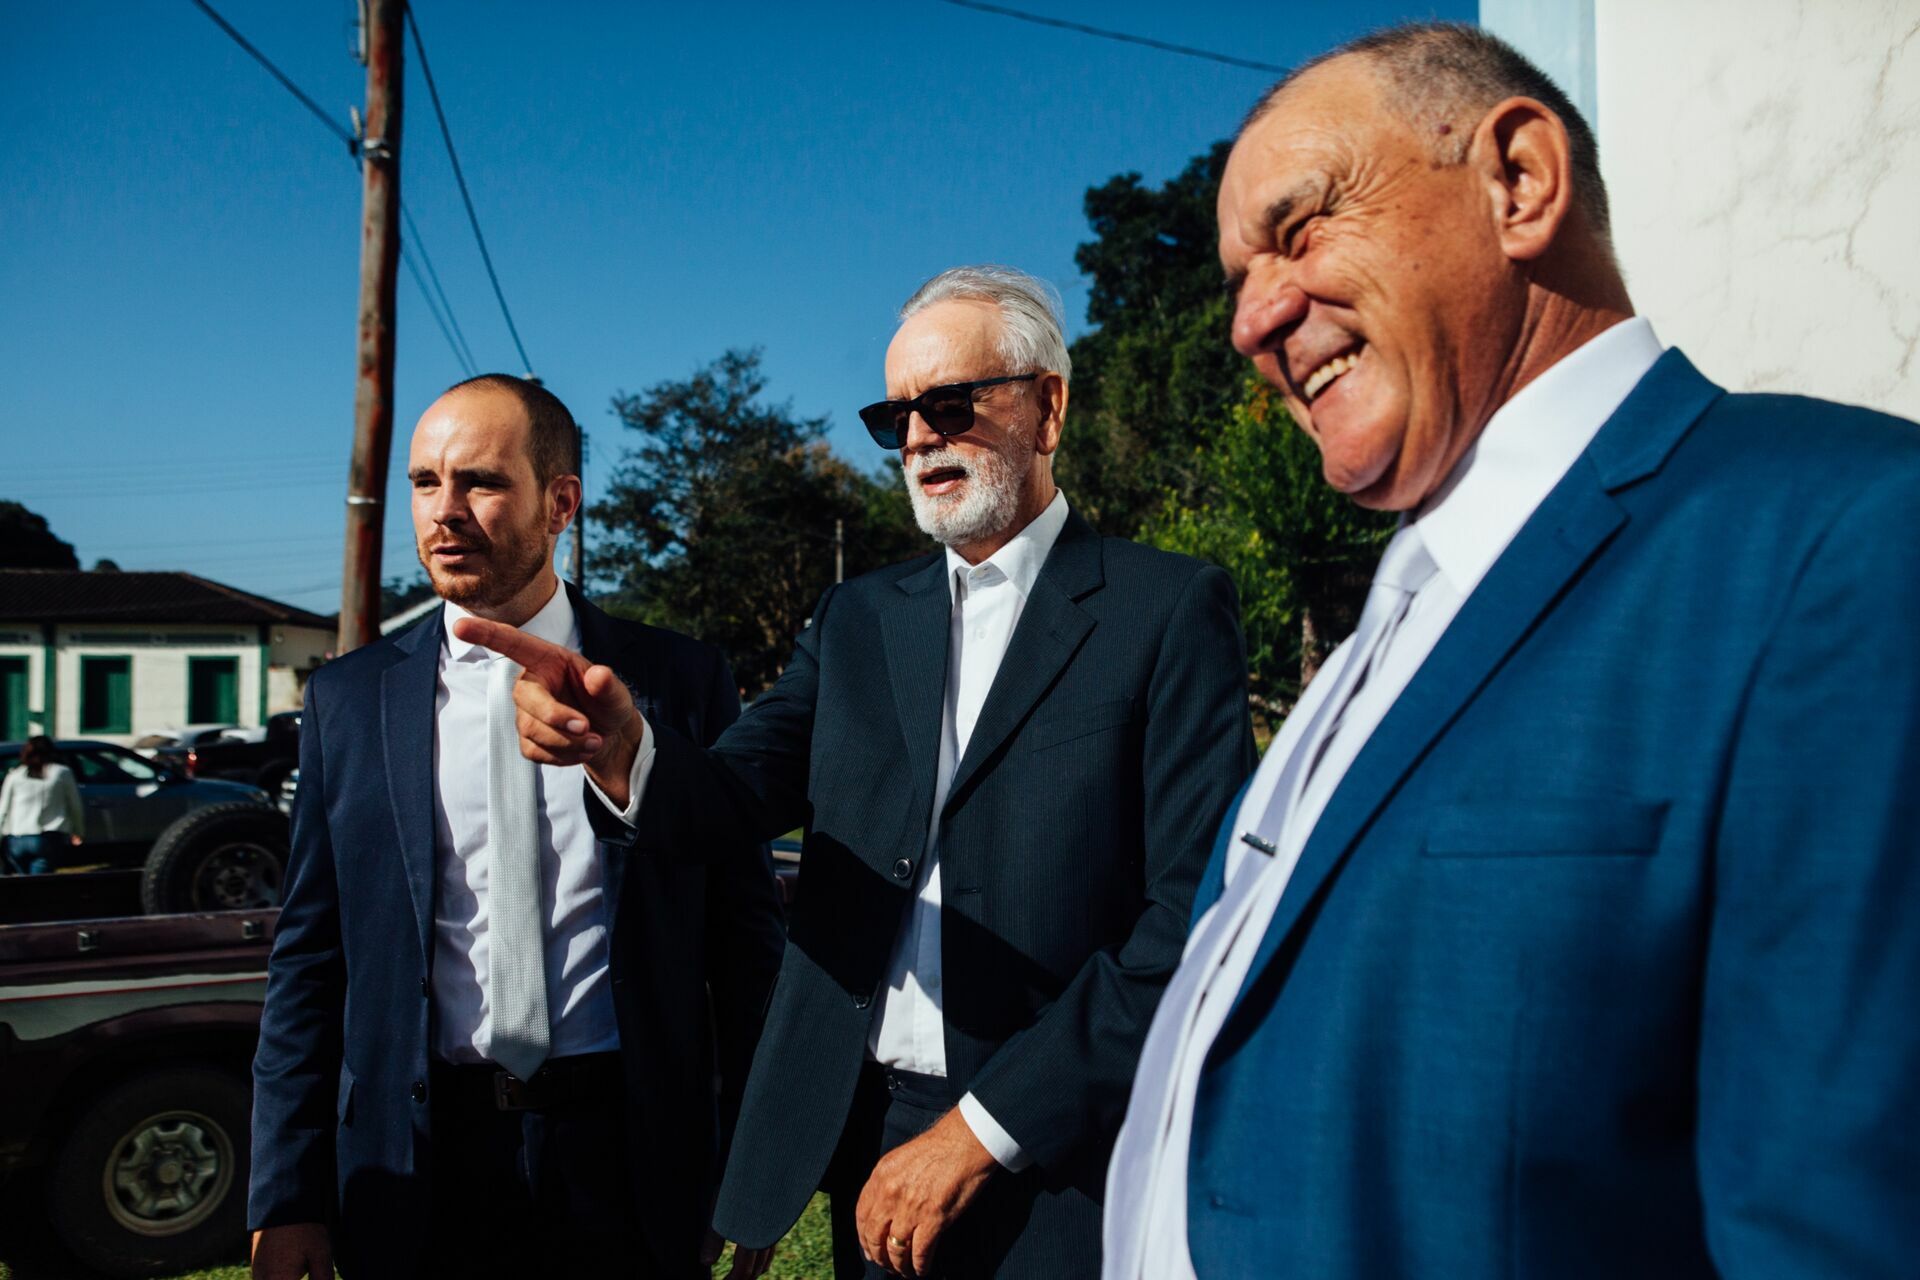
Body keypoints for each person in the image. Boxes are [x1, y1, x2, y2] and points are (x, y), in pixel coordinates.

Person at [1104, 21, 1920, 1280]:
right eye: (1235, 278)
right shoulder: (1393, 619)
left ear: (1520, 180)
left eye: (1301, 227)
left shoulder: (1845, 541)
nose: (1252, 319)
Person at [460, 266, 1254, 1279]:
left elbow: (1194, 917)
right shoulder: (859, 619)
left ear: (1049, 406)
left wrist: (986, 1126)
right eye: (897, 416)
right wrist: (627, 755)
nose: (920, 436)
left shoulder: (1168, 608)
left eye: (952, 403)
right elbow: (731, 795)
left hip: (1066, 1143)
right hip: (872, 1129)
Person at [247, 375, 784, 1280]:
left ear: (560, 501)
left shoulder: (679, 682)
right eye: (425, 483)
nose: (444, 512)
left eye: (481, 483)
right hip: (420, 1168)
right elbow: (309, 961)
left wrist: (757, 1168)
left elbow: (743, 945)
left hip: (627, 1158)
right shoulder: (348, 701)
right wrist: (287, 1194)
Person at [0, 736, 84, 874]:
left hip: (16, 838)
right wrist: (78, 831)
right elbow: (75, 805)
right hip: (47, 837)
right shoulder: (61, 772)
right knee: (39, 886)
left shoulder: (15, 775)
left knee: (20, 883)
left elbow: (3, 809)